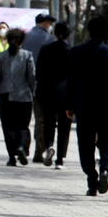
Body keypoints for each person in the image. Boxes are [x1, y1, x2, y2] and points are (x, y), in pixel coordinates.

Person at [66, 17, 108, 196]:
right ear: (106, 32)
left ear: (89, 31)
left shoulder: (76, 52)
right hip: (107, 106)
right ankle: (105, 169)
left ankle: (92, 180)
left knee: (85, 144)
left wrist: (69, 105)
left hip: (84, 106)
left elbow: (71, 81)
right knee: (106, 141)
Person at [0, 28, 36, 166]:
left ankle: (11, 157)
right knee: (23, 125)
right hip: (24, 97)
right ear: (22, 41)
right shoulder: (27, 55)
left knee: (8, 127)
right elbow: (32, 76)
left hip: (5, 96)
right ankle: (21, 146)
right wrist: (33, 92)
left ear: (8, 41)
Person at [36, 22, 72, 168]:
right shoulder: (72, 51)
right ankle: (60, 159)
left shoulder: (45, 49)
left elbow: (39, 72)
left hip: (48, 91)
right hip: (66, 93)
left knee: (49, 122)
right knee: (64, 126)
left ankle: (49, 145)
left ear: (55, 33)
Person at [23, 13, 56, 162]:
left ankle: (23, 147)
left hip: (23, 84)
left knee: (23, 120)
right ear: (45, 23)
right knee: (40, 119)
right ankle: (39, 151)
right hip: (42, 84)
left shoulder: (25, 37)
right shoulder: (50, 39)